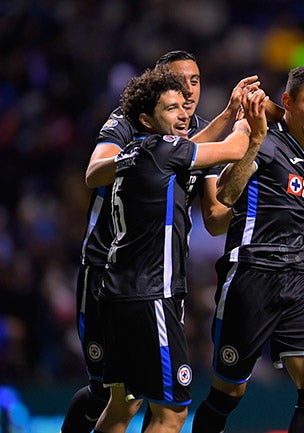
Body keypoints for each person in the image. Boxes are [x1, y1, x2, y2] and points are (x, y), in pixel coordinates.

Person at [61, 50, 260, 433]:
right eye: (175, 87)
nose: (187, 94)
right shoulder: (146, 138)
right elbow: (96, 172)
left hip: (124, 286)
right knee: (165, 411)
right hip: (144, 287)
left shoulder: (159, 144)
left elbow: (212, 213)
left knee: (125, 403)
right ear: (149, 111)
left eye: (195, 81)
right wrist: (246, 120)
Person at [191, 62, 304, 433]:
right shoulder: (264, 141)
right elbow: (224, 195)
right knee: (228, 393)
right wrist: (253, 142)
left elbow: (295, 223)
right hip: (250, 273)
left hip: (295, 278)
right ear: (287, 101)